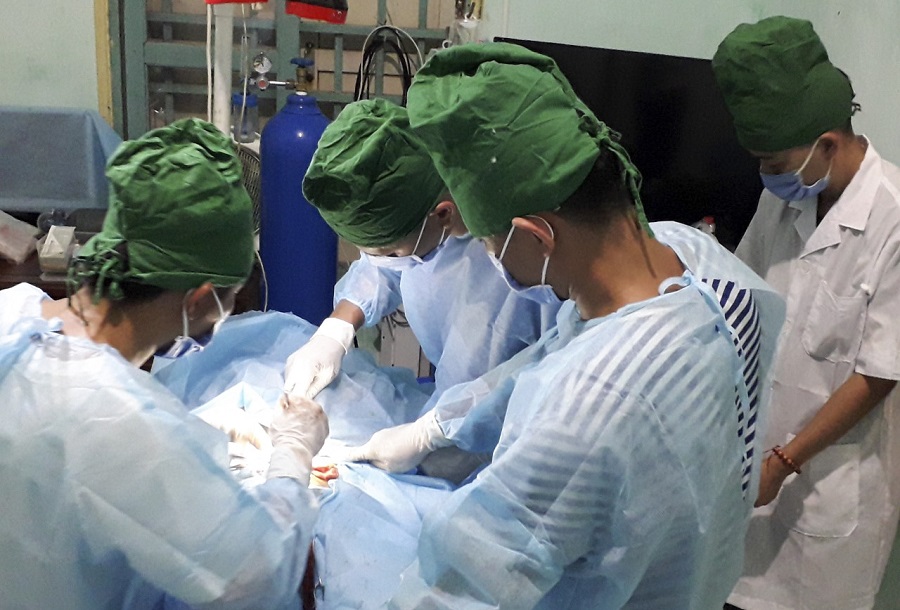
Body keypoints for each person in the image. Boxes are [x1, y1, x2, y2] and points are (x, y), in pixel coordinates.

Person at [345, 43, 785, 608]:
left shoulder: (587, 412)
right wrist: (438, 428)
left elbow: (463, 586)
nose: (490, 259)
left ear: (536, 235)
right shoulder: (694, 262)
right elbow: (546, 358)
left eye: (488, 244)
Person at [0, 118, 328, 610]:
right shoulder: (117, 422)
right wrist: (292, 455)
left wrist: (182, 436)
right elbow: (258, 574)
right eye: (228, 302)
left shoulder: (14, 310)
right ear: (198, 299)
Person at [712, 16, 900, 610]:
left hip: (829, 493)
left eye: (773, 162)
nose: (767, 176)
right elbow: (739, 294)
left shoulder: (892, 218)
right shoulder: (784, 202)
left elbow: (878, 373)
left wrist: (785, 461)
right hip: (756, 471)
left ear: (827, 143)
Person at [283, 98, 559, 419]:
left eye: (392, 253)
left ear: (443, 215)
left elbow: (480, 407)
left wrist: (424, 437)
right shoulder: (419, 216)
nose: (386, 261)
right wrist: (334, 332)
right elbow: (381, 270)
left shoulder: (514, 262)